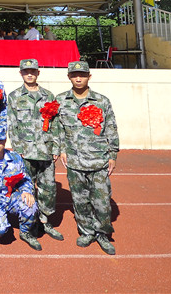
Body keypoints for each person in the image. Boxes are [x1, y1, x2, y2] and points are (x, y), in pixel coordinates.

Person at [54, 61, 119, 255]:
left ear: (89, 76)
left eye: (82, 75)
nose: (78, 78)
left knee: (102, 202)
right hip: (74, 161)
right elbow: (58, 129)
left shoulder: (102, 101)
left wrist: (113, 154)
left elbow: (111, 128)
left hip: (98, 160)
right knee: (80, 201)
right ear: (69, 77)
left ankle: (102, 233)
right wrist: (62, 149)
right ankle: (87, 232)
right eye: (74, 75)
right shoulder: (61, 100)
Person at [6, 59, 63, 241]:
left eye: (32, 71)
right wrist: (18, 148)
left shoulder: (48, 95)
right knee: (26, 187)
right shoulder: (14, 96)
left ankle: (45, 221)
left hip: (45, 150)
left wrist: (56, 147)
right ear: (21, 73)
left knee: (48, 188)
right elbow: (12, 124)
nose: (29, 74)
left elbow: (55, 124)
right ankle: (30, 222)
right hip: (26, 151)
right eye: (26, 71)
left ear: (38, 73)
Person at [0, 122, 42, 251]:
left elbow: (25, 179)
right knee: (0, 231)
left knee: (31, 205)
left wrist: (26, 191)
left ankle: (25, 232)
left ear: (5, 139)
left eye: (0, 140)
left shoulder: (15, 157)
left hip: (11, 196)